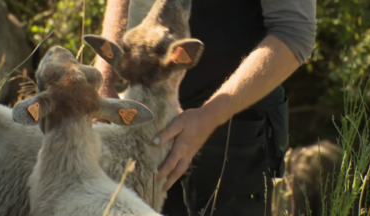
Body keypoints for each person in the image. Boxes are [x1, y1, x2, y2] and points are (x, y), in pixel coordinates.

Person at [94, 0, 317, 215]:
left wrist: (209, 116)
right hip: (139, 124)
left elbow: (293, 32)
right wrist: (103, 80)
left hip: (231, 135)